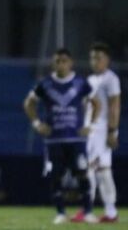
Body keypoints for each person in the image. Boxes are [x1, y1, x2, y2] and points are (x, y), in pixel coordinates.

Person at [23, 48, 101, 224]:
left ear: (71, 63)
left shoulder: (81, 83)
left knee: (82, 173)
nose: (61, 64)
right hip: (54, 139)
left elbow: (97, 103)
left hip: (76, 138)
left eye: (64, 61)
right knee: (55, 176)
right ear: (53, 63)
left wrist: (92, 126)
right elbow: (29, 103)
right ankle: (60, 213)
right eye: (57, 61)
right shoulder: (45, 84)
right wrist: (37, 124)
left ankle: (87, 211)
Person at [85, 42, 121, 223]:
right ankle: (109, 212)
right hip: (92, 130)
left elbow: (115, 105)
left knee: (95, 169)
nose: (94, 61)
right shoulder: (91, 80)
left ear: (107, 60)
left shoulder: (111, 79)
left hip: (104, 128)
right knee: (99, 170)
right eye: (92, 57)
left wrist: (112, 131)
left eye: (98, 58)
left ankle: (91, 210)